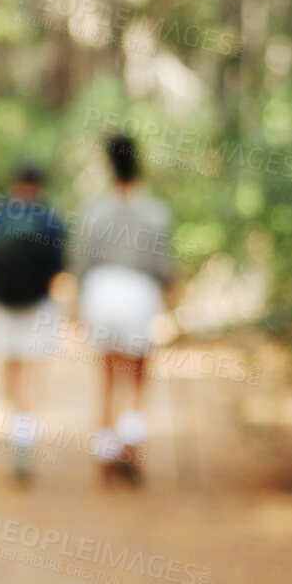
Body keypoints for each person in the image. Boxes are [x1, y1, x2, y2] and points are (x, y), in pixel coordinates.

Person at [72, 134, 173, 486]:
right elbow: (163, 266)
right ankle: (130, 448)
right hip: (138, 292)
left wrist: (76, 302)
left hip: (101, 291)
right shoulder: (155, 211)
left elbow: (81, 261)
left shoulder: (94, 209)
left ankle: (105, 456)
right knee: (138, 379)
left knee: (107, 377)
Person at [0, 163, 65, 480]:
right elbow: (59, 267)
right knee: (32, 371)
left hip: (0, 304)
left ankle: (16, 428)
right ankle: (26, 430)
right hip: (38, 305)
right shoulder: (50, 219)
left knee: (10, 368)